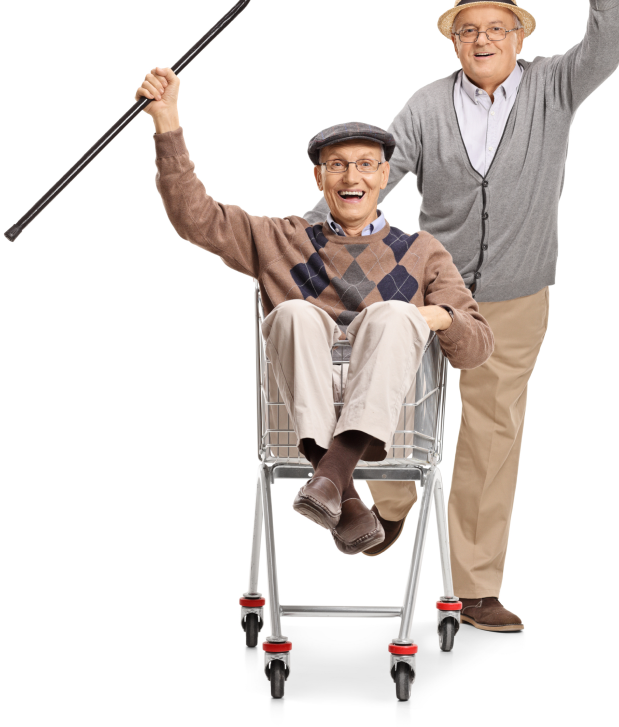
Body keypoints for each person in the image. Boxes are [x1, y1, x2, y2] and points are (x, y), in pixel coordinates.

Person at [306, 0, 619, 629]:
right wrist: (309, 238)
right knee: (393, 401)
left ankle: (475, 586)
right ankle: (388, 508)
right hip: (427, 292)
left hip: (515, 296)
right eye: (469, 30)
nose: (483, 41)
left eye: (497, 28)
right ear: (454, 39)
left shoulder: (554, 88)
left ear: (520, 37)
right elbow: (371, 179)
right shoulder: (425, 105)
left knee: (491, 432)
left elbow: (605, 50)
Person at [134, 70, 494, 555]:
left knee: (392, 315)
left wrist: (438, 317)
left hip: (396, 412)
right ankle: (341, 490)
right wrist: (166, 121)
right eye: (337, 165)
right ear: (319, 177)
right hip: (305, 401)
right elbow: (196, 217)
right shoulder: (282, 240)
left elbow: (477, 346)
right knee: (292, 314)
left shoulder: (423, 252)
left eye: (367, 165)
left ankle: (330, 476)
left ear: (385, 177)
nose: (352, 177)